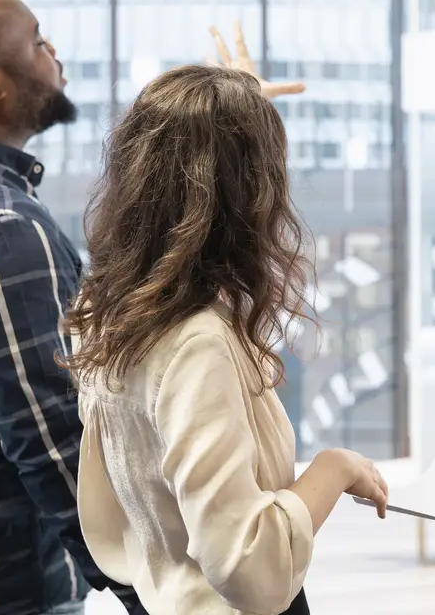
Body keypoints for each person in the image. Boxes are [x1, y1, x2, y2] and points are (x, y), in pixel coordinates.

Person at [0, 0, 301, 615]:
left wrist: (229, 125)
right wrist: (142, 591)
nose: (53, 53)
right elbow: (54, 444)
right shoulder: (2, 233)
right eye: (36, 43)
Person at [62, 63, 388, 615]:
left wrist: (234, 100)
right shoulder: (197, 344)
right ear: (252, 190)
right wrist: (336, 469)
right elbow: (249, 570)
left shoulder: (103, 311)